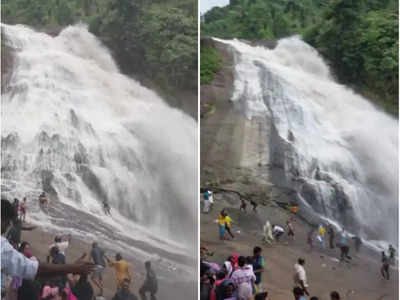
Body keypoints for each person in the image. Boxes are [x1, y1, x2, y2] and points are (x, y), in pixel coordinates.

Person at [1, 199, 94, 299]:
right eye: (7, 222)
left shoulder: (54, 248)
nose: (7, 227)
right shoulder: (2, 246)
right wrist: (74, 268)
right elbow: (35, 269)